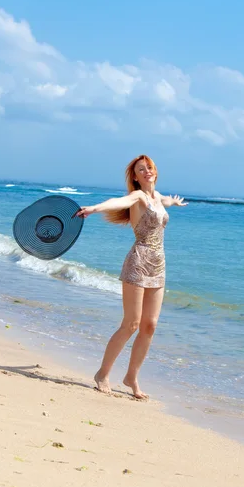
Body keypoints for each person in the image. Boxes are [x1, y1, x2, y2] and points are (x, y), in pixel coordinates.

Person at [76, 154, 187, 399]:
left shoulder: (157, 197)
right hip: (138, 261)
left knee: (150, 325)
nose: (146, 171)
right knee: (131, 324)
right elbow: (119, 201)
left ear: (155, 171)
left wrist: (174, 202)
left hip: (159, 265)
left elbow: (164, 201)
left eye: (149, 167)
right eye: (140, 169)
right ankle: (102, 374)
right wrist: (94, 208)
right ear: (135, 177)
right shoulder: (137, 197)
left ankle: (131, 378)